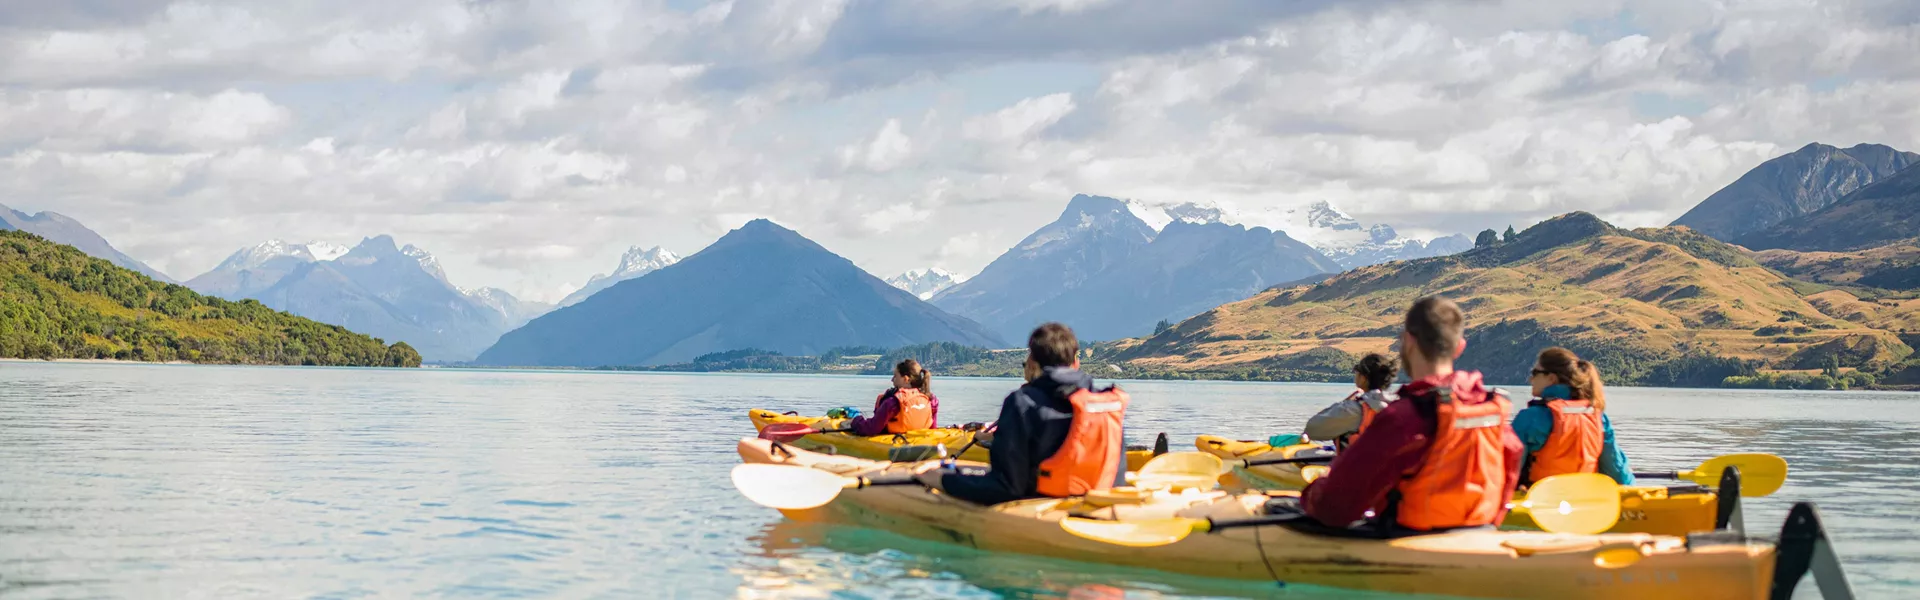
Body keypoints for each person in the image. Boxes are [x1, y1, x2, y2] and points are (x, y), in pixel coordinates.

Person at [1299, 296, 1523, 532]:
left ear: (1408, 341)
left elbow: (1334, 508)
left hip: (1408, 536)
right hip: (1480, 529)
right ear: (1460, 347)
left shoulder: (1404, 417)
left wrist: (1311, 494)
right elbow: (1512, 458)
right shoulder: (1489, 407)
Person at [915, 323, 1129, 504]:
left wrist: (943, 480)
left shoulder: (1022, 402)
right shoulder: (1104, 402)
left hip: (1040, 502)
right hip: (1097, 499)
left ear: (1033, 363)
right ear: (1076, 362)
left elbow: (1007, 488)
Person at [1514, 347, 1633, 486]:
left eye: (1535, 373)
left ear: (1551, 378)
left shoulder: (1530, 418)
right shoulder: (1598, 417)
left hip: (1540, 503)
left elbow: (1505, 469)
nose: (1530, 379)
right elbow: (1618, 473)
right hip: (1583, 501)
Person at [1302, 353, 1399, 449]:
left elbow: (1312, 429)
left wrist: (1344, 403)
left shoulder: (1353, 408)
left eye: (1356, 371)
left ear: (1364, 378)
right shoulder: (1399, 404)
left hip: (1358, 462)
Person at [839, 359, 939, 436]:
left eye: (895, 376)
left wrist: (856, 421)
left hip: (896, 444)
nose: (892, 380)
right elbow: (933, 429)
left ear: (905, 379)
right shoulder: (931, 400)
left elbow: (871, 429)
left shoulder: (893, 403)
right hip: (920, 441)